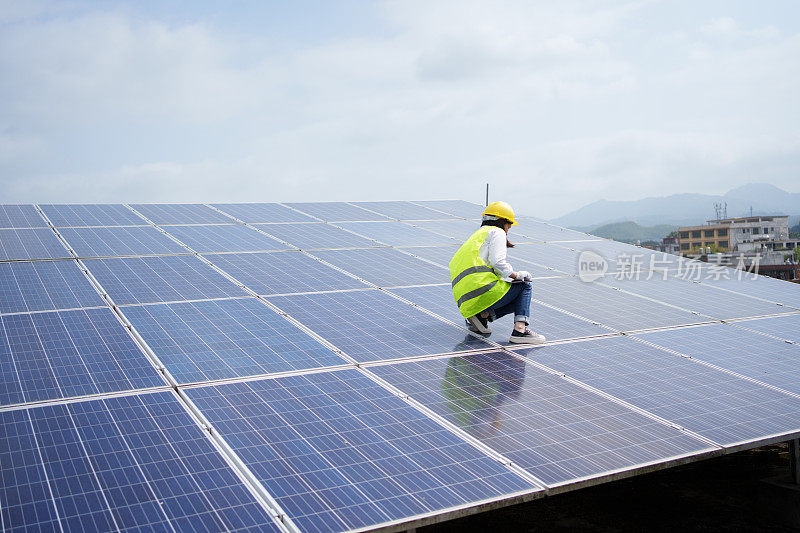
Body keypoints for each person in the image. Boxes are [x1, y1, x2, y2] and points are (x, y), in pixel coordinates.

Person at [449, 201, 546, 344]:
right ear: (502, 221)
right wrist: (517, 275)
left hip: (465, 300)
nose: (509, 228)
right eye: (509, 224)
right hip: (482, 292)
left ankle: (482, 315)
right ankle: (520, 330)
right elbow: (498, 263)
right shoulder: (497, 232)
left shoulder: (477, 235)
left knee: (514, 291)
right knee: (524, 286)